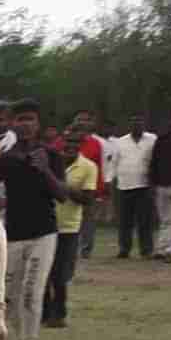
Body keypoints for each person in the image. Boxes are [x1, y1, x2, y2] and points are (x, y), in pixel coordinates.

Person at [0, 98, 68, 340]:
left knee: (32, 292)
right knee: (12, 296)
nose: (25, 124)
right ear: (12, 124)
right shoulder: (6, 158)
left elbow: (62, 195)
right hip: (14, 234)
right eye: (20, 119)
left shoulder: (51, 155)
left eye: (30, 119)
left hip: (44, 233)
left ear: (38, 123)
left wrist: (44, 171)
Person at [43, 128, 97, 328]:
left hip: (69, 228)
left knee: (60, 274)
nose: (70, 148)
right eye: (67, 144)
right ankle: (44, 313)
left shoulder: (88, 167)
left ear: (80, 146)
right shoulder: (50, 163)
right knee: (44, 272)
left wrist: (63, 187)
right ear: (61, 144)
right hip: (45, 224)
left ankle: (59, 314)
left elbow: (88, 199)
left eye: (75, 145)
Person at [112, 113, 157, 259]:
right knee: (125, 221)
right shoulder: (120, 142)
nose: (137, 124)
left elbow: (156, 161)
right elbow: (114, 163)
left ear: (144, 124)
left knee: (145, 220)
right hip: (124, 186)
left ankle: (146, 249)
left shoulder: (152, 139)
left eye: (139, 122)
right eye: (134, 122)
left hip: (145, 185)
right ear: (129, 125)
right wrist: (110, 181)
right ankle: (124, 249)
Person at [148, 107, 171, 263]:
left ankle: (170, 250)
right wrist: (153, 184)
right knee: (163, 219)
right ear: (170, 121)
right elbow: (154, 163)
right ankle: (161, 250)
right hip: (160, 185)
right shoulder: (161, 140)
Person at [71, 111, 107, 259]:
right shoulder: (64, 141)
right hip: (68, 187)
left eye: (86, 120)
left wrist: (100, 190)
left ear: (90, 124)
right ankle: (70, 248)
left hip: (89, 188)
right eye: (79, 119)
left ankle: (86, 250)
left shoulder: (96, 144)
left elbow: (100, 167)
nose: (82, 123)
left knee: (88, 220)